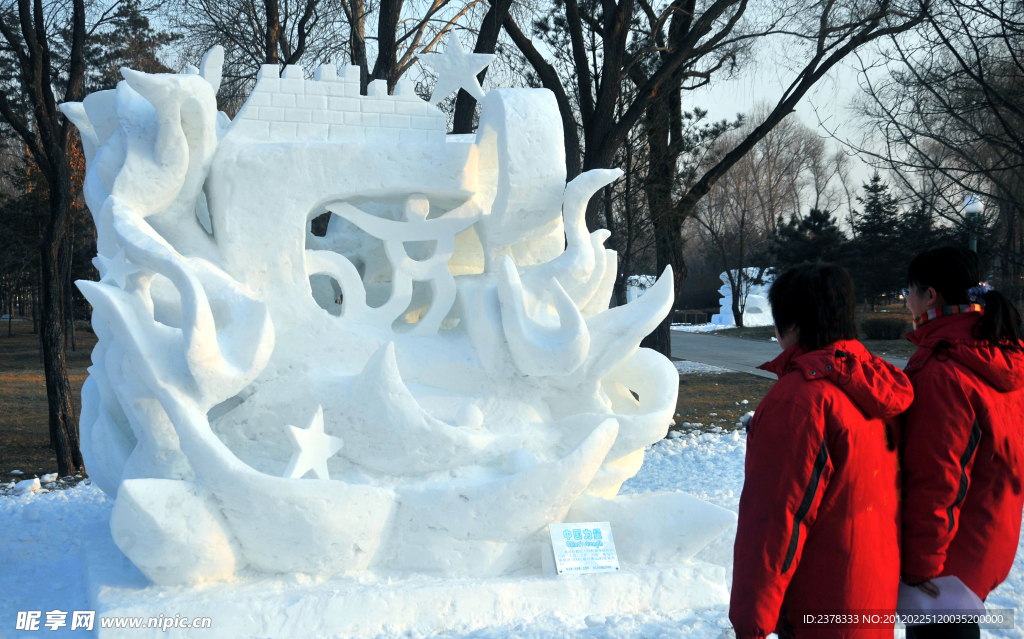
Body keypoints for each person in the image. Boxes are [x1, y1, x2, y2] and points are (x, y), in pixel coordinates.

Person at [730, 264, 914, 638]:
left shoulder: (800, 401)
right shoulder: (878, 383)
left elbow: (777, 520)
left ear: (792, 323)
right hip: (871, 594)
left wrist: (751, 622)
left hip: (820, 603)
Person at [900, 246, 1024, 639]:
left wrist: (920, 568)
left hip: (945, 564)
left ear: (930, 296)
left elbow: (938, 479)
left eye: (909, 291)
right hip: (985, 540)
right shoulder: (1002, 352)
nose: (906, 300)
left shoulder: (943, 370)